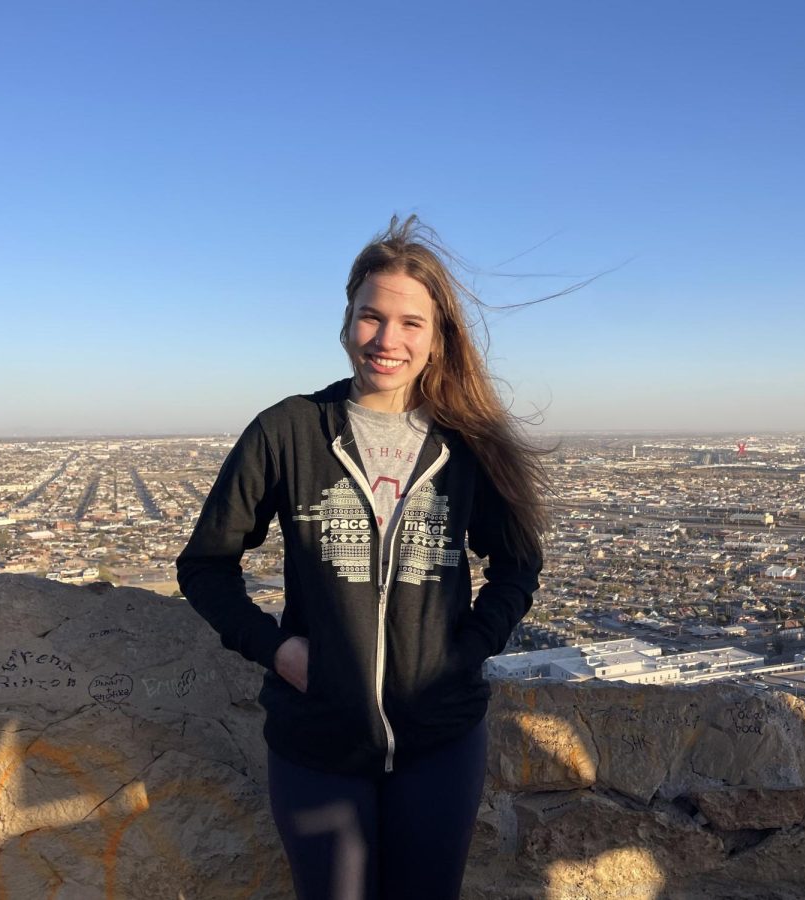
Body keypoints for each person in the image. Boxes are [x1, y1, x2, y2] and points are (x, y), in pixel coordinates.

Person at [176, 215, 547, 900]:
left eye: (411, 323)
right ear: (347, 319)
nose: (387, 339)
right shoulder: (289, 431)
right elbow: (205, 564)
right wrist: (278, 650)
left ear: (437, 338)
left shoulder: (466, 444)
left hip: (440, 741)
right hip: (318, 741)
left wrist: (463, 654)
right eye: (372, 317)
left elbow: (518, 562)